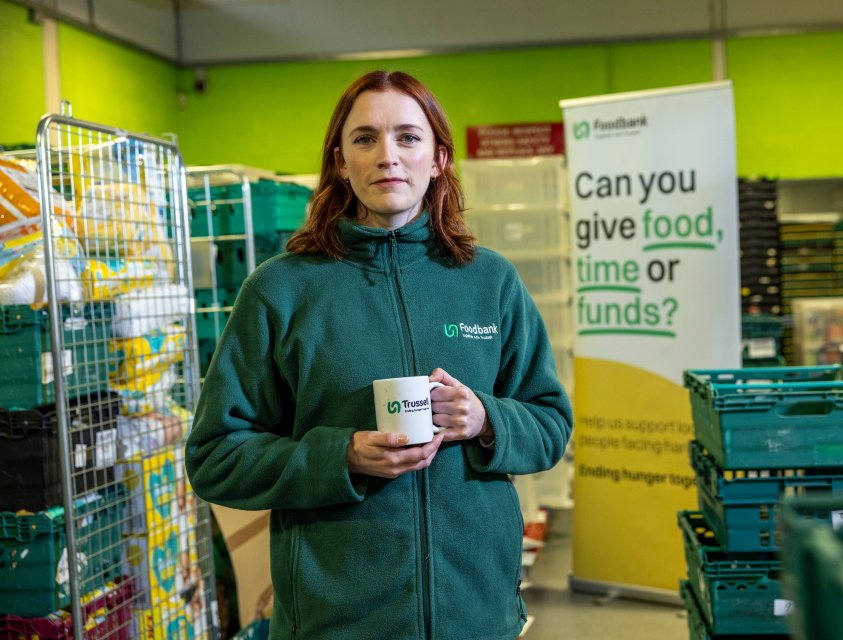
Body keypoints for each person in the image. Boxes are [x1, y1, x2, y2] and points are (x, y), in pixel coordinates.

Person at [185, 70, 573, 640]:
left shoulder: (490, 281)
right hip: (338, 619)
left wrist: (487, 419)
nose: (387, 155)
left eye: (408, 137)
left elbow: (550, 423)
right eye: (364, 139)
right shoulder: (281, 289)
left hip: (476, 613)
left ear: (438, 158)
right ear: (341, 162)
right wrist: (339, 457)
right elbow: (215, 456)